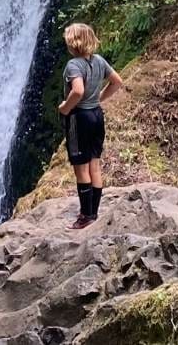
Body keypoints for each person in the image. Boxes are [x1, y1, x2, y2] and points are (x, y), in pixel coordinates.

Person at [56, 21, 124, 230]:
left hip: (80, 118)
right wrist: (99, 99)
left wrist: (65, 108)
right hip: (96, 115)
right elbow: (117, 81)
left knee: (81, 167)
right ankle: (93, 212)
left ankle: (85, 216)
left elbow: (77, 90)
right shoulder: (99, 61)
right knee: (94, 164)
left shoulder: (73, 65)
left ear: (73, 44)